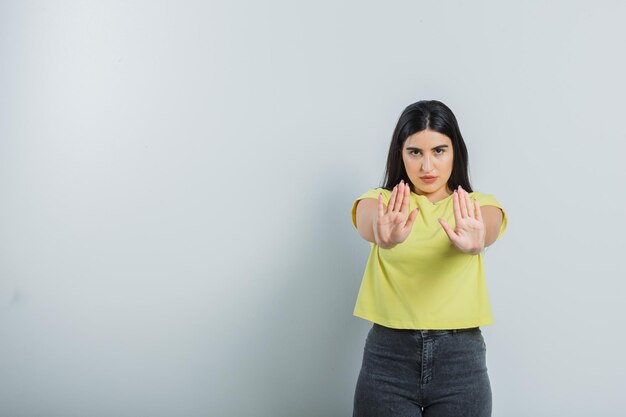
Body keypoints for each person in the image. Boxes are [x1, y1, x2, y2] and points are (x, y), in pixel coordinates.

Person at [350, 100, 508, 417]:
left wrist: (479, 239)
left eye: (439, 151)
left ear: (455, 152)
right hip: (388, 358)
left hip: (460, 361)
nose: (427, 167)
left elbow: (488, 223)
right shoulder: (382, 202)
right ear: (400, 154)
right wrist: (382, 234)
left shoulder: (476, 204)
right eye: (415, 152)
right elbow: (369, 220)